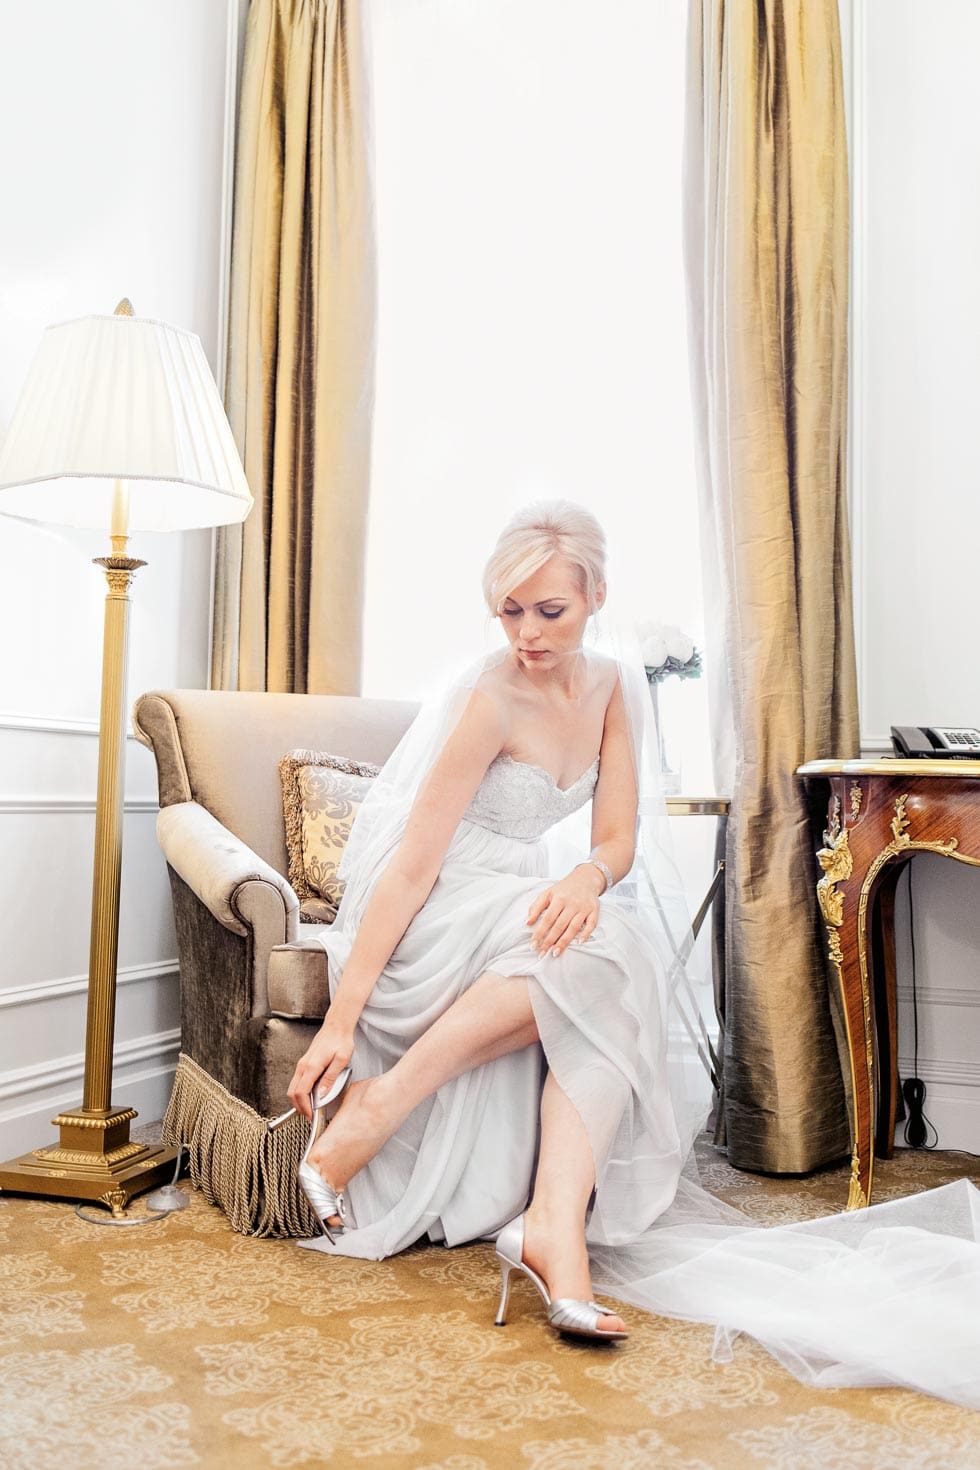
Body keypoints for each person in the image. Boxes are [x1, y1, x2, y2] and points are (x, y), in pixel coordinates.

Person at [276, 501, 980, 1401]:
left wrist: (585, 878)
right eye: (510, 611)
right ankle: (405, 1121)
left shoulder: (613, 687)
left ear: (597, 596)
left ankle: (551, 1223)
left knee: (605, 945)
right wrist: (342, 1019)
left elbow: (616, 839)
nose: (527, 634)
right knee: (610, 953)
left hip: (519, 893)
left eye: (550, 611)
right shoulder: (490, 697)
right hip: (438, 903)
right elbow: (414, 864)